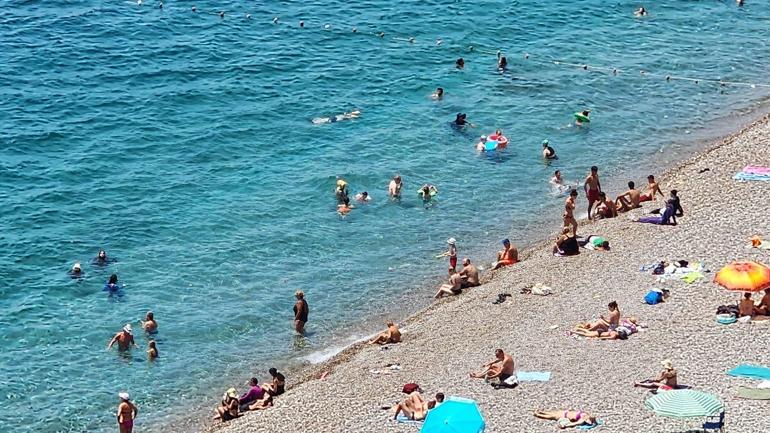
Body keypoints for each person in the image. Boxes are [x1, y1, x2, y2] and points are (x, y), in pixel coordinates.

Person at [533, 409, 597, 429]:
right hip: (566, 412)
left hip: (564, 415)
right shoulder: (586, 415)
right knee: (552, 414)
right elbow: (594, 421)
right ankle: (541, 412)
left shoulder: (582, 419)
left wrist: (565, 425)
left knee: (551, 416)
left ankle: (538, 414)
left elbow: (575, 423)